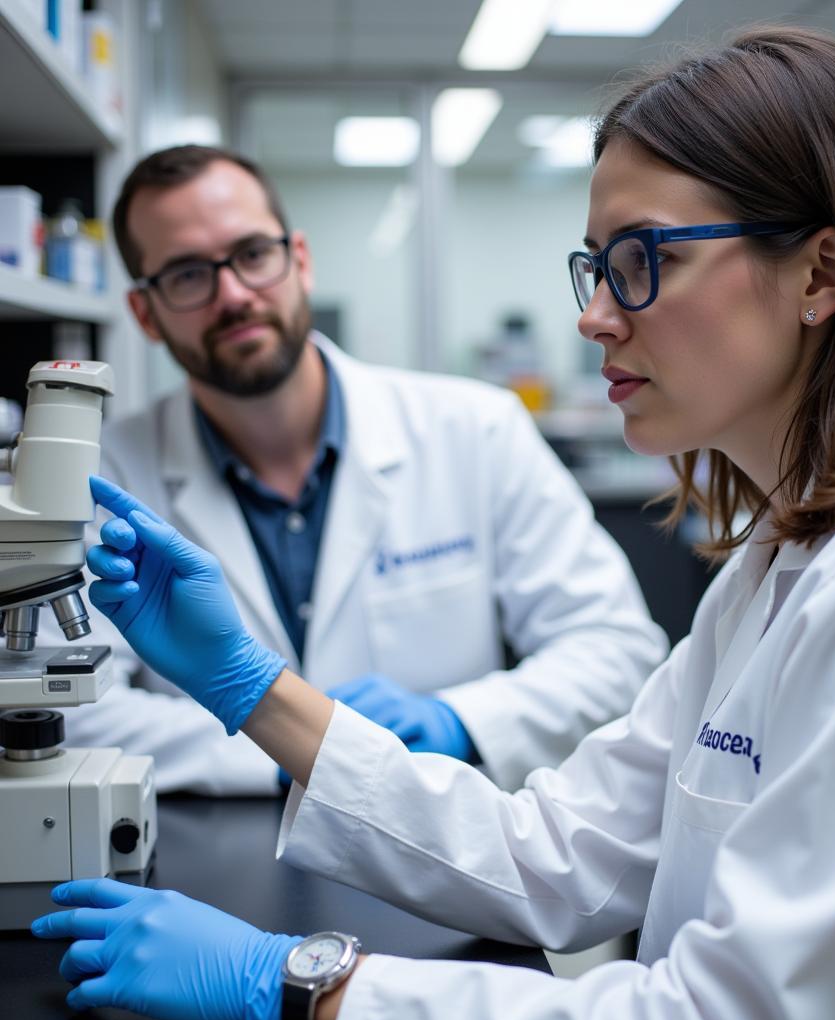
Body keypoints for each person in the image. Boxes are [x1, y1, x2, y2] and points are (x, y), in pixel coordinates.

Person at [33, 25, 835, 1020]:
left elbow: (735, 1014)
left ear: (819, 275)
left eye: (638, 261)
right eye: (594, 266)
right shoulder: (786, 559)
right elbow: (550, 852)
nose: (594, 315)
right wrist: (252, 689)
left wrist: (305, 986)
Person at [48, 143, 667, 794]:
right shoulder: (103, 474)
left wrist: (457, 718)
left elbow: (614, 651)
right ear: (145, 313)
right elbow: (67, 708)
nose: (232, 295)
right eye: (186, 275)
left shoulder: (474, 428)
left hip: (444, 845)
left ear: (300, 261)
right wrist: (310, 745)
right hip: (216, 853)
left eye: (253, 255)